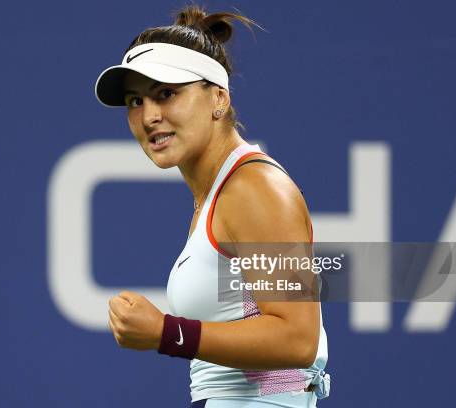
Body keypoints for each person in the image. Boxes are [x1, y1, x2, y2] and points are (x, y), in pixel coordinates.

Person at [95, 5, 330, 408]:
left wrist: (166, 333)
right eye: (136, 100)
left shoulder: (255, 188)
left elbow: (297, 338)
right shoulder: (217, 195)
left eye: (167, 93)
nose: (149, 116)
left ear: (218, 98)